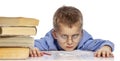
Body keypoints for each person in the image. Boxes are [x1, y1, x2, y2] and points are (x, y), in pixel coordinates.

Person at [30, 6, 114, 58]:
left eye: (75, 36)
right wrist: (32, 49)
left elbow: (106, 43)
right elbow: (31, 44)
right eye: (64, 36)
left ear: (81, 34)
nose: (70, 42)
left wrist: (106, 48)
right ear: (55, 34)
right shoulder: (48, 42)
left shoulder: (84, 41)